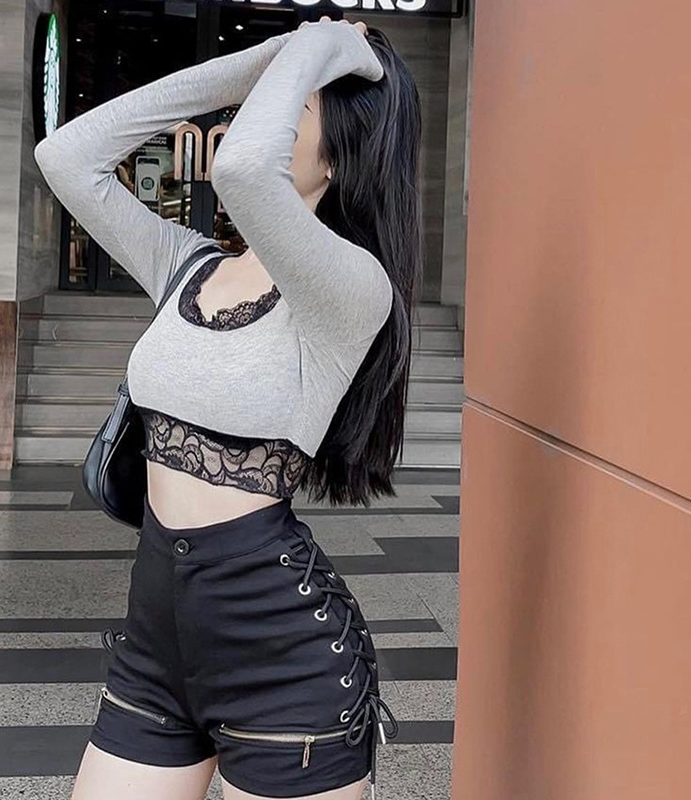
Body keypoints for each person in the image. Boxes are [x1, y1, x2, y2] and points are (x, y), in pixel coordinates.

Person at [34, 14, 422, 800]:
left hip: (285, 667)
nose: (255, 115)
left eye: (289, 104)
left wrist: (325, 42)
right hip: (153, 653)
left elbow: (243, 170)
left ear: (338, 155)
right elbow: (66, 155)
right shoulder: (188, 265)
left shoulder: (353, 291)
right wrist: (263, 60)